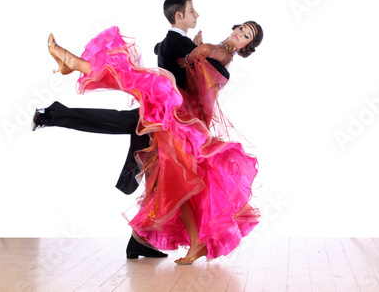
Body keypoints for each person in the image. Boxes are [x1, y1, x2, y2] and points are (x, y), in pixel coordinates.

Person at [47, 19, 263, 264]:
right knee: (173, 181)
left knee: (147, 84)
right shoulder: (219, 53)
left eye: (247, 35)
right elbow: (193, 70)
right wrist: (196, 51)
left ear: (247, 45)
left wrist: (197, 50)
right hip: (185, 118)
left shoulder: (215, 51)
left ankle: (77, 64)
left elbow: (193, 63)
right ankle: (165, 243)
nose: (241, 33)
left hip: (180, 116)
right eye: (242, 28)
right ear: (235, 28)